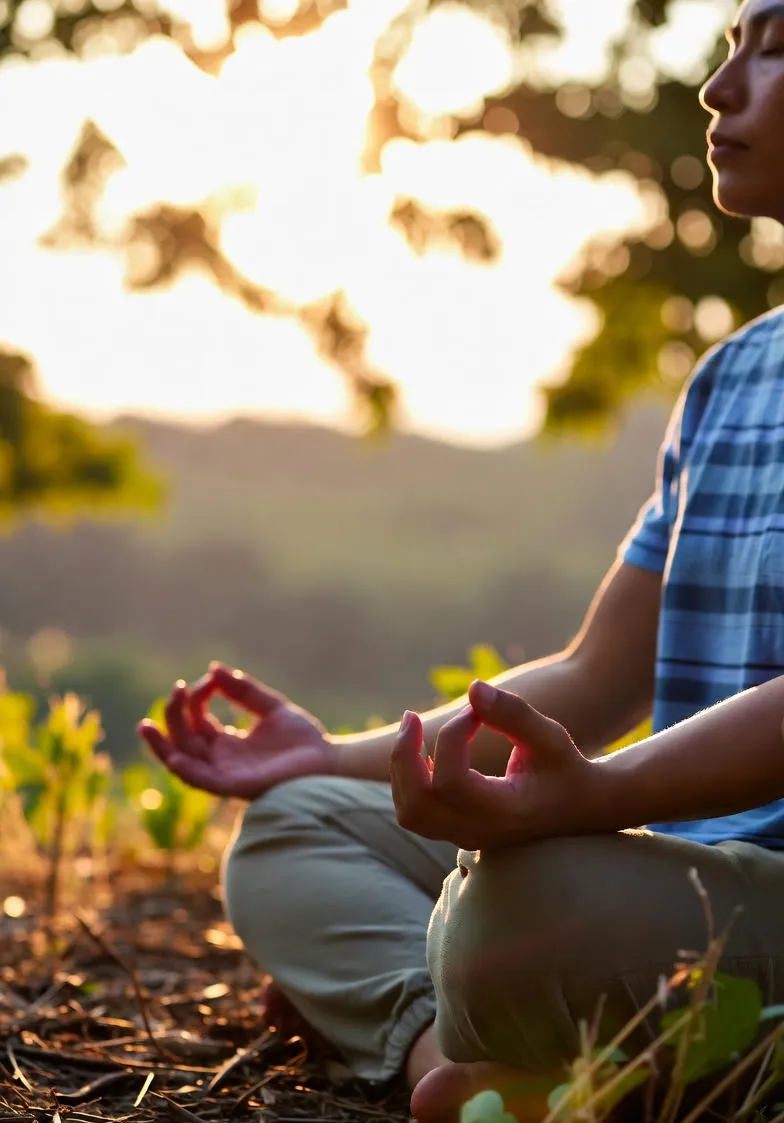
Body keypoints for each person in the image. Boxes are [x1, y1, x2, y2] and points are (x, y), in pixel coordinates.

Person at [138, 2, 784, 1119]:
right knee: (298, 825)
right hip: (674, 875)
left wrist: (598, 798)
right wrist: (339, 754)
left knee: (515, 907)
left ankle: (579, 1047)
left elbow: (601, 766)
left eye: (772, 52)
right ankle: (452, 1056)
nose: (718, 89)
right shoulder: (731, 378)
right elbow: (594, 675)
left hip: (744, 891)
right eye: (727, 47)